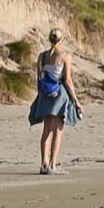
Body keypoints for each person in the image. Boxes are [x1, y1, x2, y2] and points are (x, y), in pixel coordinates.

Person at [29, 30, 81, 173]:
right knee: (58, 130)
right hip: (59, 95)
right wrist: (76, 100)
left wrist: (40, 96)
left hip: (45, 94)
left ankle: (43, 164)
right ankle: (52, 165)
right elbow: (68, 80)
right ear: (61, 39)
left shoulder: (43, 56)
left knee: (46, 130)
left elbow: (39, 79)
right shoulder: (65, 56)